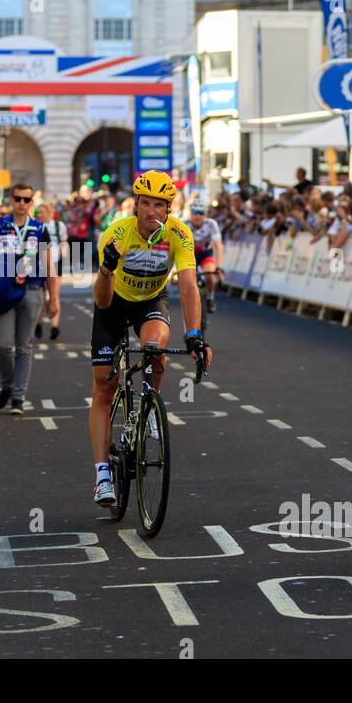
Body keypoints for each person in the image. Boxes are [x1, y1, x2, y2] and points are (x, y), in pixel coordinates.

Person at [88, 171, 213, 508]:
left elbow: (188, 285)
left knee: (154, 349)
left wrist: (195, 335)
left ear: (169, 208)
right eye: (146, 204)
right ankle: (102, 475)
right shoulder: (116, 235)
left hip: (151, 302)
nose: (152, 211)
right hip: (114, 303)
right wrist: (106, 269)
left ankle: (148, 408)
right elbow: (101, 301)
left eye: (160, 205)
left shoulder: (179, 234)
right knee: (104, 385)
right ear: (136, 205)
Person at [0, 182, 60, 414]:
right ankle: (7, 386)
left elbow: (49, 265)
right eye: (17, 199)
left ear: (32, 202)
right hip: (5, 290)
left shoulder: (40, 228)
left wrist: (53, 298)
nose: (21, 203)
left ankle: (18, 397)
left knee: (24, 346)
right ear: (10, 200)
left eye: (26, 200)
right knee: (2, 345)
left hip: (32, 289)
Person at [32, 201, 66, 340]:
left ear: (49, 212)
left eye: (42, 212)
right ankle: (38, 323)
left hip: (55, 263)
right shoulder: (35, 227)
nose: (39, 214)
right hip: (39, 263)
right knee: (41, 295)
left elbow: (64, 241)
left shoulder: (58, 225)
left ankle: (54, 327)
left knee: (54, 294)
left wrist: (63, 252)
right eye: (37, 212)